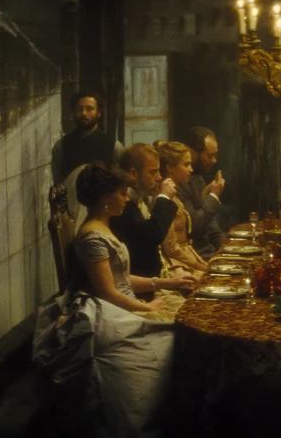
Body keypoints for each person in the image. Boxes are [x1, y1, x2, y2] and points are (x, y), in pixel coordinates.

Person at [33, 164, 192, 437]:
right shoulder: (92, 236)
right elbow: (108, 291)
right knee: (179, 332)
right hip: (108, 311)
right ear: (106, 198)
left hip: (119, 303)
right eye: (122, 193)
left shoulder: (104, 227)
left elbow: (122, 278)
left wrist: (167, 283)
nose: (126, 199)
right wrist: (145, 307)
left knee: (184, 312)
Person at [110, 143, 178, 278]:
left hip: (153, 278)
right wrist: (164, 197)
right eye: (153, 172)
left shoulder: (141, 196)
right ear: (134, 173)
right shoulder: (123, 204)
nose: (159, 177)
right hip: (137, 282)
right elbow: (153, 235)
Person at [155, 140, 208, 276]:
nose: (191, 169)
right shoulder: (163, 197)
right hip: (175, 265)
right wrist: (198, 266)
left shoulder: (175, 194)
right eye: (186, 164)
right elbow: (171, 248)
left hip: (186, 257)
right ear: (169, 168)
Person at [51, 91, 123, 184]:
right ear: (73, 112)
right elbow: (58, 183)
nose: (84, 113)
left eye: (89, 109)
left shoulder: (113, 146)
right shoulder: (61, 146)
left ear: (99, 113)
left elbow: (120, 183)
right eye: (79, 109)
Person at [179, 126, 226, 259]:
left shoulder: (198, 178)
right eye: (210, 156)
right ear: (192, 152)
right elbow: (193, 227)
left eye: (215, 155)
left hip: (209, 254)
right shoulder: (179, 182)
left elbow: (212, 229)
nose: (214, 160)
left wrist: (227, 249)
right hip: (196, 257)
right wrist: (214, 196)